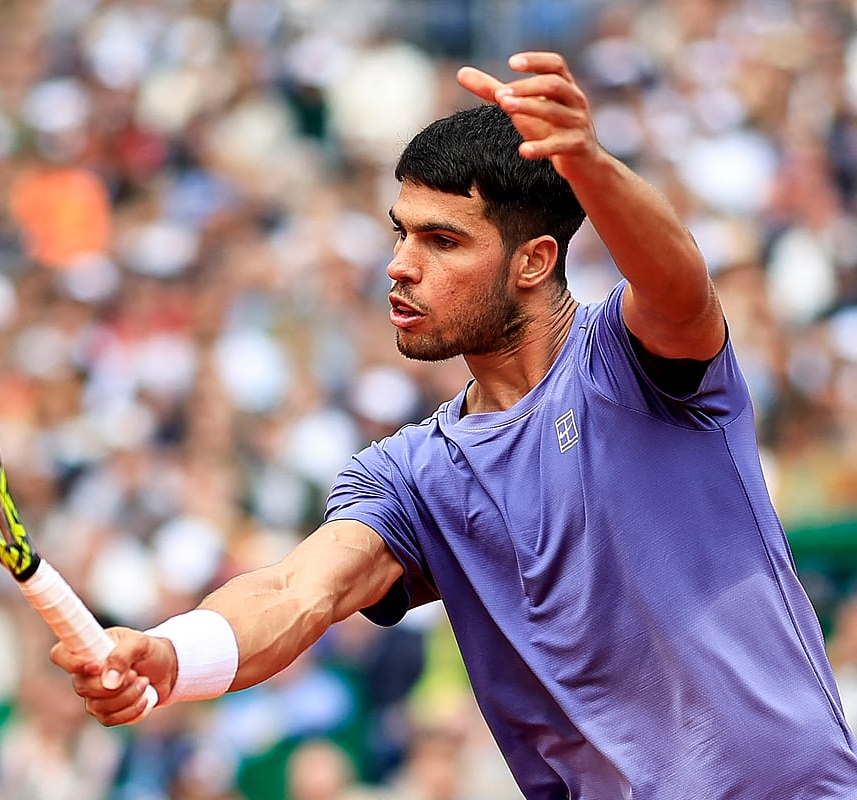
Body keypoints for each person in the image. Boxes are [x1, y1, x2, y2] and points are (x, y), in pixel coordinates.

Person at [50, 51, 857, 799]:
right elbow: (297, 589)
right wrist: (173, 656)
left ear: (534, 261)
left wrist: (589, 163)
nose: (401, 264)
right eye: (400, 232)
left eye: (442, 241)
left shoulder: (632, 358)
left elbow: (678, 282)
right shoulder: (410, 476)